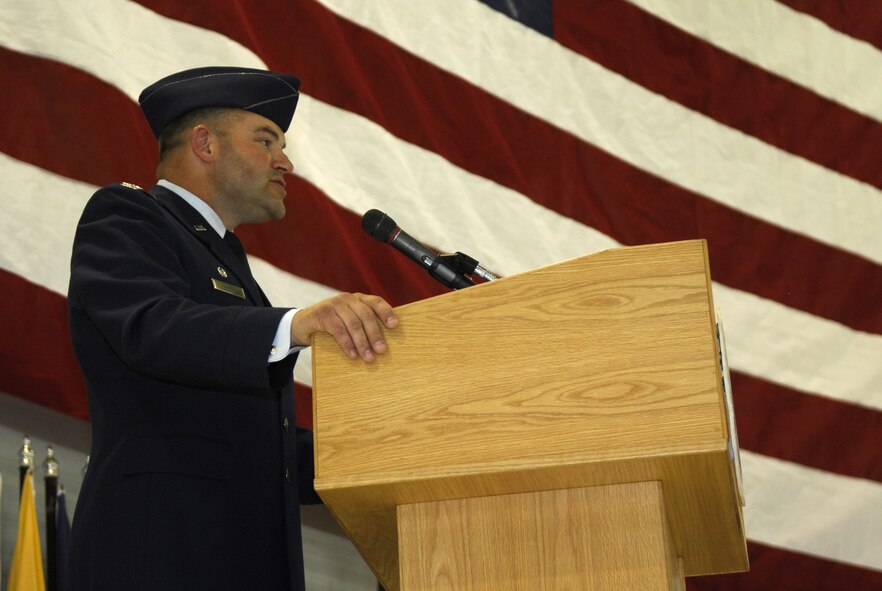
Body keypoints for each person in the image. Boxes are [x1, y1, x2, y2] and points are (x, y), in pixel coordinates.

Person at [66, 66, 397, 591]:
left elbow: (256, 442)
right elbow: (152, 327)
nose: (285, 161)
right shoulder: (128, 215)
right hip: (161, 558)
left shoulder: (225, 260)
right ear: (205, 144)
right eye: (266, 139)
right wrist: (294, 324)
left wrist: (393, 447)